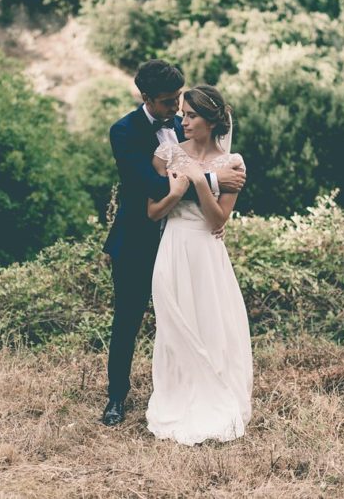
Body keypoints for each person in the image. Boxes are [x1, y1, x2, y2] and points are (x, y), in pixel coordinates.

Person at [102, 61, 246, 426]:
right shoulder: (124, 132)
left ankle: (188, 389)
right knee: (128, 319)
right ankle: (116, 398)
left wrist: (208, 182)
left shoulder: (186, 129)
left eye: (179, 100)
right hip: (138, 240)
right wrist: (213, 177)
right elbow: (148, 187)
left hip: (187, 243)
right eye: (168, 103)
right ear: (147, 98)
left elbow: (209, 201)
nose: (176, 111)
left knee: (194, 320)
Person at [145, 85, 253, 445]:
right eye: (183, 114)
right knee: (174, 322)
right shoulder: (166, 154)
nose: (183, 121)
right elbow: (152, 210)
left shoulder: (232, 163)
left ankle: (213, 394)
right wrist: (183, 188)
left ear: (211, 121)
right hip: (173, 246)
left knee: (209, 322)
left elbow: (217, 220)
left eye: (191, 116)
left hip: (206, 251)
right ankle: (177, 394)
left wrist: (200, 180)